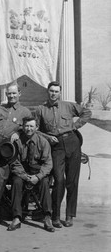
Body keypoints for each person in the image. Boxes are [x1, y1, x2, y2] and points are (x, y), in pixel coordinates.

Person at [34, 81, 91, 228]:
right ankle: (56, 216)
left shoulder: (68, 106)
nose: (53, 94)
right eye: (51, 91)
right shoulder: (41, 109)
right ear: (48, 92)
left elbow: (86, 113)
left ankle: (70, 215)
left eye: (56, 91)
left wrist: (75, 126)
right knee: (59, 180)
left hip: (72, 142)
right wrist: (47, 137)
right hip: (56, 146)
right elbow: (35, 129)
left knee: (72, 181)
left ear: (60, 93)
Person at [0, 83, 32, 227]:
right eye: (9, 94)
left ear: (19, 93)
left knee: (0, 178)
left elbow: (31, 128)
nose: (11, 96)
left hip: (8, 147)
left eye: (14, 93)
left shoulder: (25, 111)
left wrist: (19, 132)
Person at [7, 116, 55, 233]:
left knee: (44, 182)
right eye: (26, 126)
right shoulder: (17, 142)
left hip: (38, 172)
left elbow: (48, 164)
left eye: (31, 126)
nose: (28, 129)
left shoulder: (43, 142)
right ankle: (16, 218)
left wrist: (37, 177)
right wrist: (24, 176)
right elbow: (14, 162)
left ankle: (47, 217)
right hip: (23, 172)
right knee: (16, 182)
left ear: (36, 127)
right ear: (23, 127)